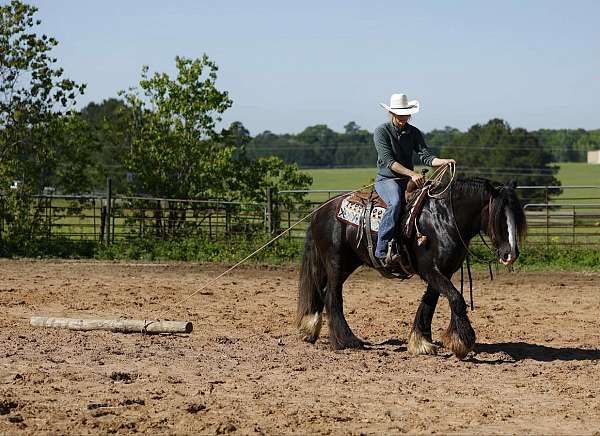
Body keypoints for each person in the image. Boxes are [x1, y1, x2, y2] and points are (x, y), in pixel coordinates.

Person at [373, 93, 455, 266]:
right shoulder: (381, 131)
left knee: (432, 201)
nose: (403, 117)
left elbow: (426, 156)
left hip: (408, 180)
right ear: (392, 114)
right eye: (399, 113)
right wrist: (411, 173)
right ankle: (381, 249)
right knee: (395, 203)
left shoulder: (414, 133)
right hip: (387, 180)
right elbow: (389, 162)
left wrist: (443, 161)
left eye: (405, 113)